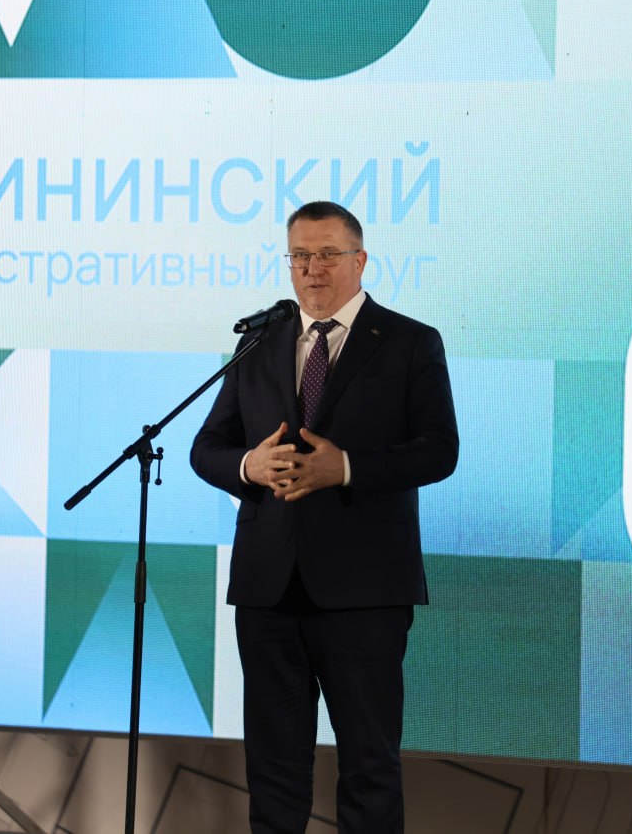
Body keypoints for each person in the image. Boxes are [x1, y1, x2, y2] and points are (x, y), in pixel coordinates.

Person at [190, 201, 459, 833]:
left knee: (368, 766)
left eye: (328, 255)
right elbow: (208, 448)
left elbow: (439, 450)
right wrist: (250, 466)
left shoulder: (410, 342)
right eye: (301, 256)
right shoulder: (258, 342)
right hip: (268, 587)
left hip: (364, 591)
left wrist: (346, 468)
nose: (313, 269)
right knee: (273, 771)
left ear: (359, 260)